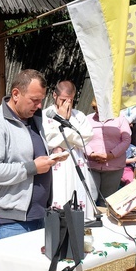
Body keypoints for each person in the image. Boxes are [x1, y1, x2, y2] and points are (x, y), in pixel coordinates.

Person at [0, 69, 61, 240]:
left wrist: (51, 154)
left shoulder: (34, 119)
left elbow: (25, 153)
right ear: (15, 94)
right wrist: (32, 168)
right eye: (34, 100)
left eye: (41, 100)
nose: (39, 106)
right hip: (11, 223)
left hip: (39, 215)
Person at [43, 80, 95, 219]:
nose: (67, 103)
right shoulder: (45, 115)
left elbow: (85, 138)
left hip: (77, 161)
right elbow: (49, 139)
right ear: (54, 95)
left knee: (78, 195)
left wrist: (64, 132)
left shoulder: (79, 116)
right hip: (57, 164)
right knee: (60, 196)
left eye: (70, 100)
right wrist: (62, 121)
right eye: (63, 100)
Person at [86, 98, 132, 202]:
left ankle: (104, 219)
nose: (97, 111)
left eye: (100, 108)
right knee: (90, 199)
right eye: (95, 108)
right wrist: (91, 154)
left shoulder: (120, 118)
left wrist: (111, 155)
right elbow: (82, 140)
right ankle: (89, 218)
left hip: (114, 167)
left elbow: (126, 139)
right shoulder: (87, 119)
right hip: (92, 165)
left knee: (107, 201)